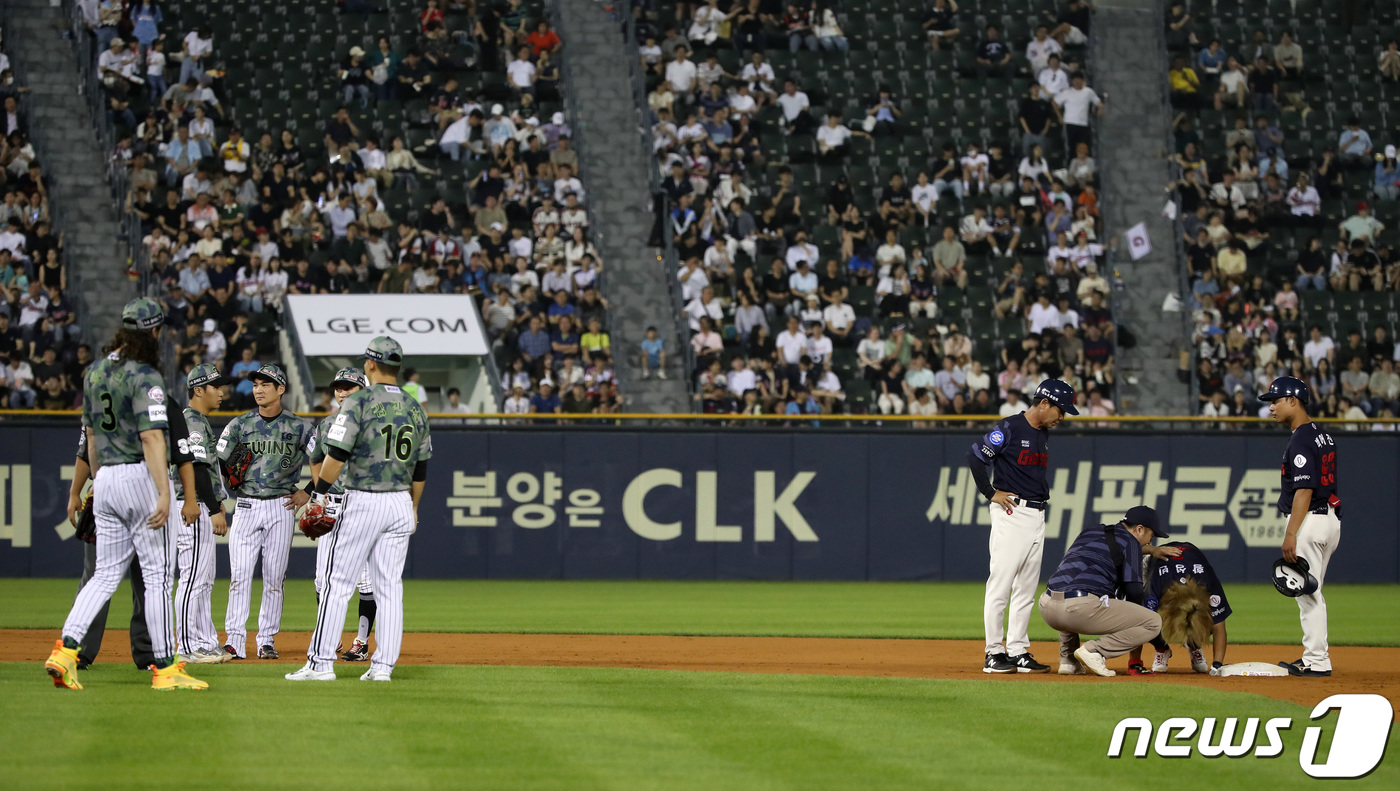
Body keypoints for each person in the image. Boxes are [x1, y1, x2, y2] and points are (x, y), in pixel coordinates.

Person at [44, 298, 209, 692]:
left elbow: (91, 437)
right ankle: (166, 668)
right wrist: (163, 492)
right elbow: (152, 438)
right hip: (139, 475)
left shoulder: (95, 372)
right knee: (156, 578)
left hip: (106, 478)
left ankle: (65, 652)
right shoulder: (145, 374)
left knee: (103, 576)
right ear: (153, 331)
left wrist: (99, 482)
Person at [286, 336, 432, 683]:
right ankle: (382, 668)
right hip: (400, 502)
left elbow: (336, 455)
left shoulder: (359, 402)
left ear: (370, 365)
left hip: (364, 499)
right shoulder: (415, 407)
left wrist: (319, 495)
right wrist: (413, 507)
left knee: (337, 583)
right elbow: (421, 467)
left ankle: (320, 664)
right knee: (389, 588)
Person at [965, 380, 1079, 674]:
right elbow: (976, 456)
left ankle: (1017, 650)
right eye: (1060, 410)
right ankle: (993, 652)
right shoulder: (1011, 427)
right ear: (1044, 403)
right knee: (1001, 585)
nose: (1062, 417)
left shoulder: (1042, 433)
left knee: (1026, 590)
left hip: (1037, 514)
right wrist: (990, 493)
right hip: (1012, 511)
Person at [216, 363, 315, 660]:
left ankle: (266, 640)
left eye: (265, 385)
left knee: (274, 578)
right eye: (256, 384)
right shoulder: (240, 424)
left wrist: (308, 491)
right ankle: (234, 640)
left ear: (280, 389)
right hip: (246, 505)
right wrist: (223, 488)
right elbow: (218, 460)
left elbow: (323, 459)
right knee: (240, 575)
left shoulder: (299, 426)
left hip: (281, 506)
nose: (258, 390)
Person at [1258, 376, 1341, 677]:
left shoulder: (1301, 439)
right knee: (1311, 592)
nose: (1271, 407)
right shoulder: (1321, 435)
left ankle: (1316, 660)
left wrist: (1291, 533)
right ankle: (1316, 657)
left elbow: (1304, 489)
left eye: (1275, 400)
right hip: (1329, 517)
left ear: (1293, 401)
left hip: (1311, 521)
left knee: (1308, 595)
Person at [1039, 506, 1170, 677]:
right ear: (1139, 529)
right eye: (1151, 536)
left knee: (1073, 586)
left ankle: (1068, 661)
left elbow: (1116, 548)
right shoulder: (1131, 543)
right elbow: (1134, 592)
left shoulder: (1091, 531)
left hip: (1047, 605)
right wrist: (1152, 633)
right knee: (1153, 622)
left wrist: (1150, 551)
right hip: (1079, 609)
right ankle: (1095, 651)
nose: (1150, 542)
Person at [305, 367, 378, 663]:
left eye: (349, 386)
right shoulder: (325, 425)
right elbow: (315, 459)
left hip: (363, 505)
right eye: (338, 387)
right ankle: (330, 636)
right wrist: (319, 495)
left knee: (366, 581)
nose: (342, 392)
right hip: (333, 503)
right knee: (322, 580)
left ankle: (361, 642)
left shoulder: (375, 423)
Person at [172, 363, 236, 664]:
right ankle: (186, 646)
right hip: (193, 506)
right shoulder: (192, 421)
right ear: (198, 390)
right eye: (215, 387)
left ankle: (204, 641)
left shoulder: (197, 420)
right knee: (193, 579)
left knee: (204, 579)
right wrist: (212, 508)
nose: (221, 392)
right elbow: (196, 469)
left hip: (199, 504)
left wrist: (216, 500)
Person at [1128, 540, 1232, 675]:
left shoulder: (1209, 583)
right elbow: (1139, 621)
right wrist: (1136, 661)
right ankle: (1161, 649)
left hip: (1192, 559)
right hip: (1155, 566)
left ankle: (1193, 645)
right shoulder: (1156, 588)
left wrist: (1217, 664)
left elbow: (1219, 626)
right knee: (1144, 618)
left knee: (1208, 620)